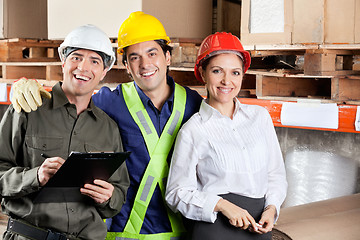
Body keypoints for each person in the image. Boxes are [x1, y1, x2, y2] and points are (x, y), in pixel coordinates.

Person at [10, 12, 203, 240]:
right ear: (126, 66)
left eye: (152, 53)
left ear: (168, 57)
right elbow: (73, 95)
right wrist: (25, 85)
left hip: (181, 233)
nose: (145, 64)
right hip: (123, 234)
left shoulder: (195, 105)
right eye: (134, 57)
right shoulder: (109, 102)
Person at [0, 24, 130, 240]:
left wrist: (108, 197)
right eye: (76, 57)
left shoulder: (107, 128)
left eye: (94, 61)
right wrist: (36, 177)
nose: (83, 67)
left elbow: (118, 194)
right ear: (63, 62)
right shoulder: (28, 108)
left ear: (104, 72)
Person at [165, 32, 288, 240]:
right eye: (217, 71)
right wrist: (221, 205)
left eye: (235, 73)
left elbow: (275, 174)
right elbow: (176, 192)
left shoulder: (260, 118)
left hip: (258, 228)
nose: (226, 81)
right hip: (215, 230)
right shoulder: (193, 130)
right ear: (203, 73)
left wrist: (272, 209)